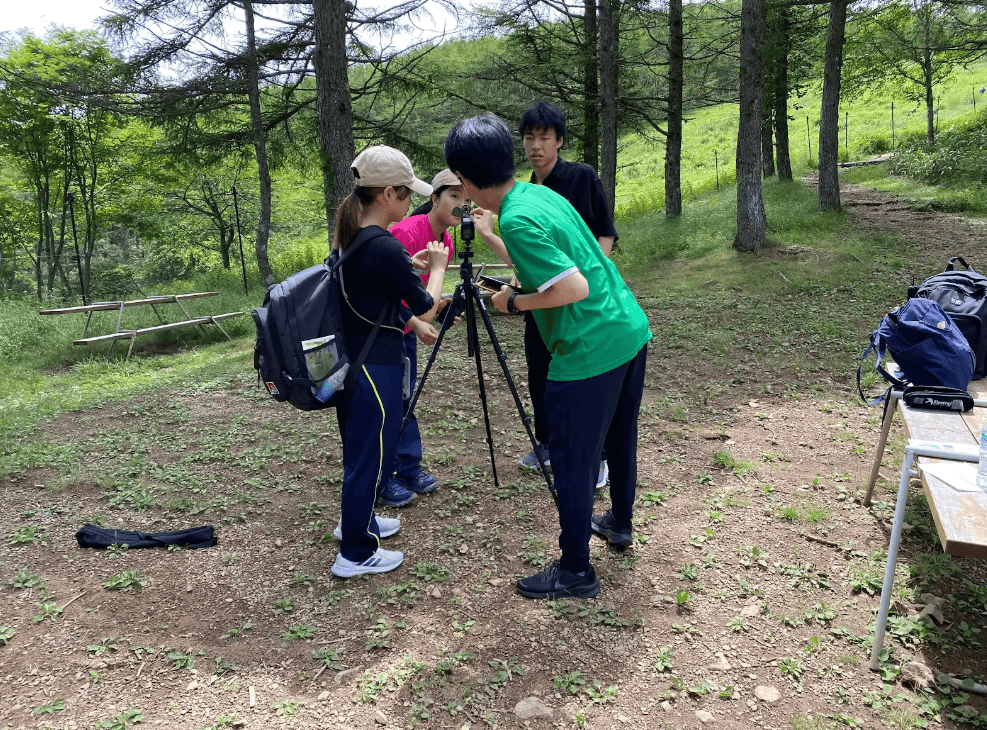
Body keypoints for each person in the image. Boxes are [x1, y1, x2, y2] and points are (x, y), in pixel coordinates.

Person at [444, 113, 652, 599]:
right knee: (620, 438)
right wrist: (521, 285)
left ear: (467, 181)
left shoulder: (515, 218)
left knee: (573, 460)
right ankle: (619, 522)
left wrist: (512, 302)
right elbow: (568, 261)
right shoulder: (538, 194)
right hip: (627, 326)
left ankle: (576, 570)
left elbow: (573, 286)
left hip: (589, 348)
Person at [329, 145, 448, 578]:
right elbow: (426, 305)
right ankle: (355, 554)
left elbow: (376, 299)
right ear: (387, 195)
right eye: (405, 194)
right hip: (376, 368)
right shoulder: (382, 246)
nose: (408, 201)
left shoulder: (354, 240)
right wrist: (437, 267)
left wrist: (407, 275)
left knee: (361, 454)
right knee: (369, 456)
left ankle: (355, 523)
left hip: (354, 367)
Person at [515, 102, 619, 489]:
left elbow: (604, 234)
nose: (536, 146)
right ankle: (547, 444)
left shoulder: (581, 177)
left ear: (559, 140)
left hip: (581, 300)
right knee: (540, 372)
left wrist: (592, 283)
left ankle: (598, 458)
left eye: (544, 137)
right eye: (530, 138)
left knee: (585, 378)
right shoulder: (525, 190)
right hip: (541, 300)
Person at [380, 169, 463, 506]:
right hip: (385, 330)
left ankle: (408, 467)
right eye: (454, 197)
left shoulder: (447, 241)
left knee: (405, 399)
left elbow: (424, 293)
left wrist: (442, 309)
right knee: (386, 404)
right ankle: (384, 476)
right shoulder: (404, 232)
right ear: (434, 198)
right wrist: (414, 321)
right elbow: (383, 292)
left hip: (407, 333)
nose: (461, 206)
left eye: (466, 199)